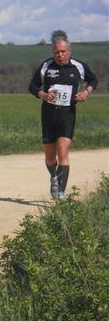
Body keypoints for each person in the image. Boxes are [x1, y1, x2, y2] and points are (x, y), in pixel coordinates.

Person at [28, 32, 98, 200]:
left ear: (69, 51)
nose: (60, 55)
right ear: (53, 53)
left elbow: (93, 80)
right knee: (50, 156)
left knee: (63, 151)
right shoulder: (46, 66)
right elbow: (32, 85)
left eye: (63, 51)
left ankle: (60, 193)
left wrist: (86, 93)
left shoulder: (78, 67)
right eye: (56, 52)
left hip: (67, 114)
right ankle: (53, 177)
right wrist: (42, 94)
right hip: (48, 115)